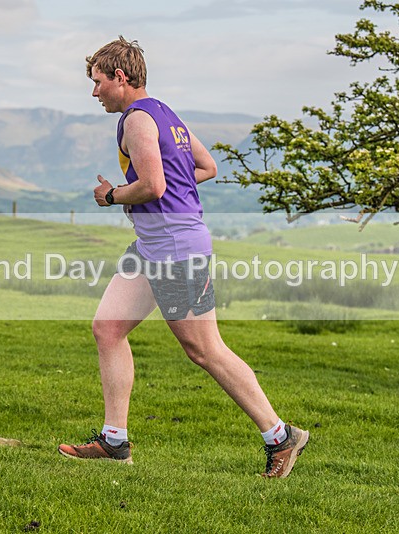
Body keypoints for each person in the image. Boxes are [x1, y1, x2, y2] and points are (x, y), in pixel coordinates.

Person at [57, 36, 309, 478]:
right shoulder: (165, 114)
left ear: (120, 77)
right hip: (151, 245)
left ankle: (281, 437)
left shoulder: (137, 120)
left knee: (205, 350)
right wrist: (164, 191)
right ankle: (114, 442)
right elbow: (207, 167)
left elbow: (153, 185)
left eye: (98, 82)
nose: (94, 92)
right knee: (107, 328)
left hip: (175, 249)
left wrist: (113, 195)